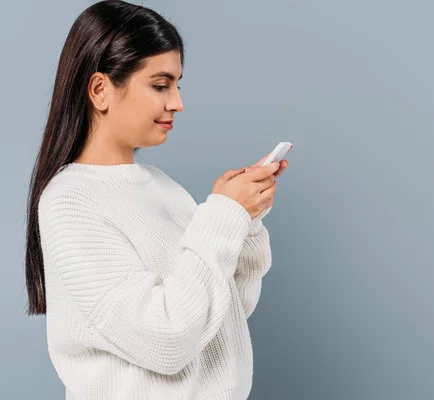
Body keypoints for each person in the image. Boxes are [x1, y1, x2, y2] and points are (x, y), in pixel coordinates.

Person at [23, 1, 289, 399]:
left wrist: (243, 220)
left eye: (178, 85)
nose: (177, 102)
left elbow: (223, 316)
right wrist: (222, 216)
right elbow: (167, 341)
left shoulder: (161, 186)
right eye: (160, 85)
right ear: (101, 90)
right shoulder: (70, 201)